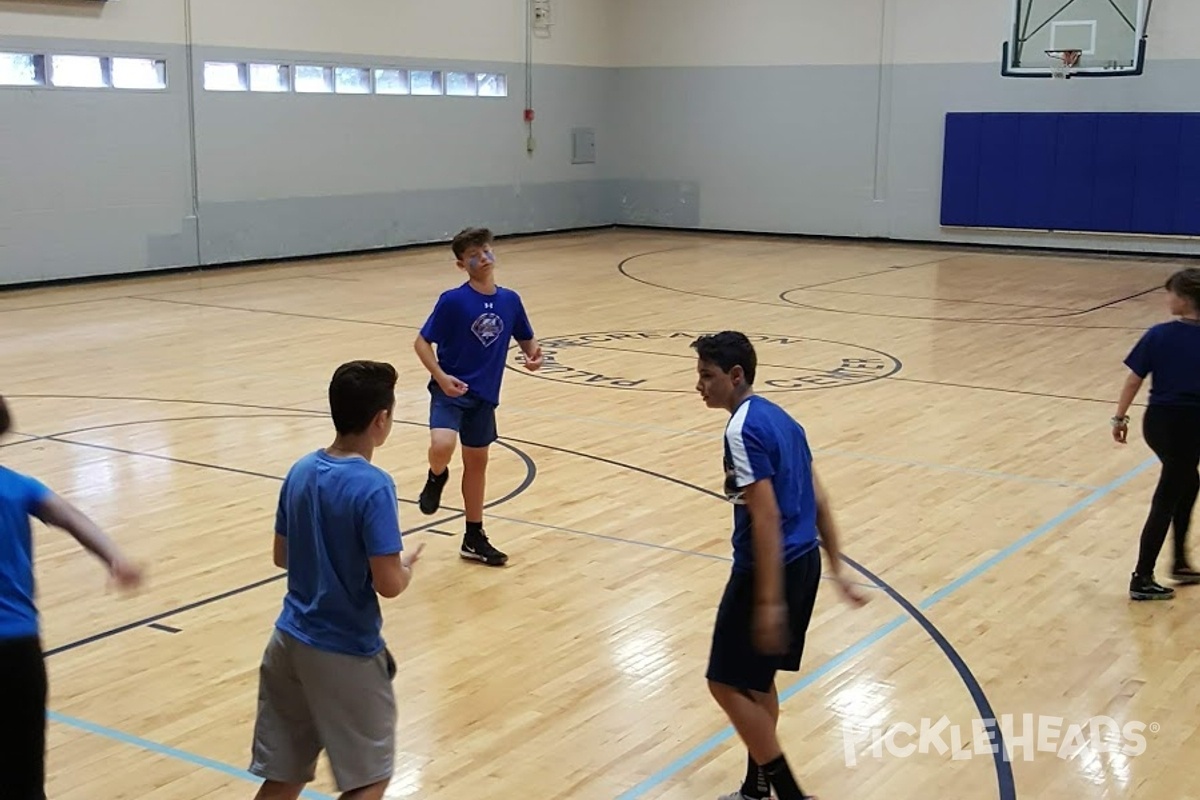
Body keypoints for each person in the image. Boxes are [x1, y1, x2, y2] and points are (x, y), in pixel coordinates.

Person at [691, 332, 868, 800]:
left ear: (735, 376)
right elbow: (820, 497)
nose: (699, 386)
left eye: (707, 376)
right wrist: (835, 567)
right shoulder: (783, 419)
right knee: (756, 680)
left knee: (724, 684)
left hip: (766, 570)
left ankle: (789, 793)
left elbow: (766, 515)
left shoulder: (741, 430)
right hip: (803, 562)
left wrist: (768, 601)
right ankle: (756, 788)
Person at [249, 361, 424, 800]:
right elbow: (388, 583)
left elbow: (281, 555)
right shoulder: (373, 486)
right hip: (344, 648)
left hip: (288, 642)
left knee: (285, 776)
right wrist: (404, 566)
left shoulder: (301, 470)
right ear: (380, 419)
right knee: (370, 779)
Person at [0, 394, 144, 800]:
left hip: (16, 646)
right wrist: (115, 557)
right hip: (17, 649)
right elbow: (74, 520)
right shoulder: (16, 487)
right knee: (24, 775)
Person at [413, 226, 543, 567]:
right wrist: (441, 378)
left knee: (476, 464)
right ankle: (436, 475)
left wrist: (534, 356)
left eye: (485, 251)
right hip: (450, 390)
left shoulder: (510, 300)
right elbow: (421, 342)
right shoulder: (453, 301)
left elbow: (527, 339)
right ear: (461, 264)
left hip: (485, 396)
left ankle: (473, 535)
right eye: (473, 255)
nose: (482, 258)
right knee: (442, 445)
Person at [1112, 267, 1200, 601]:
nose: (1167, 299)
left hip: (1160, 424)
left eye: (1170, 293)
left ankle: (1178, 562)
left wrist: (1119, 417)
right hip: (1189, 427)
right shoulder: (1161, 334)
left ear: (1183, 299)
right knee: (1170, 492)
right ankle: (1142, 577)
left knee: (1188, 483)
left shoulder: (1158, 335)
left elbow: (1134, 378)